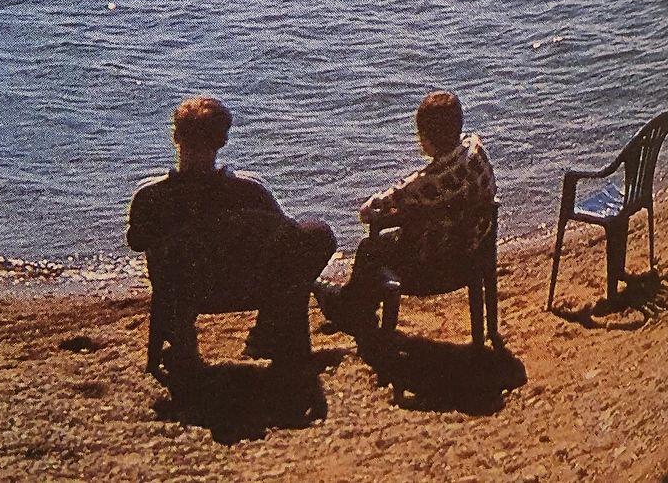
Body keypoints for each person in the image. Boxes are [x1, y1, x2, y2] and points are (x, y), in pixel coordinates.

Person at [127, 96, 336, 373]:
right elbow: (285, 235)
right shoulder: (250, 191)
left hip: (186, 292)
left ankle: (182, 341)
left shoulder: (151, 196)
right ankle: (269, 330)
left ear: (176, 137)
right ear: (223, 140)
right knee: (315, 233)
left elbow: (136, 242)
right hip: (251, 287)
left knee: (171, 267)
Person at [319, 90, 495, 333]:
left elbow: (389, 204)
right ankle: (353, 306)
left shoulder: (426, 186)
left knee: (369, 248)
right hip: (475, 246)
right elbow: (434, 174)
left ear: (427, 140)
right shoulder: (476, 149)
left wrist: (371, 208)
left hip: (437, 259)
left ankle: (351, 309)